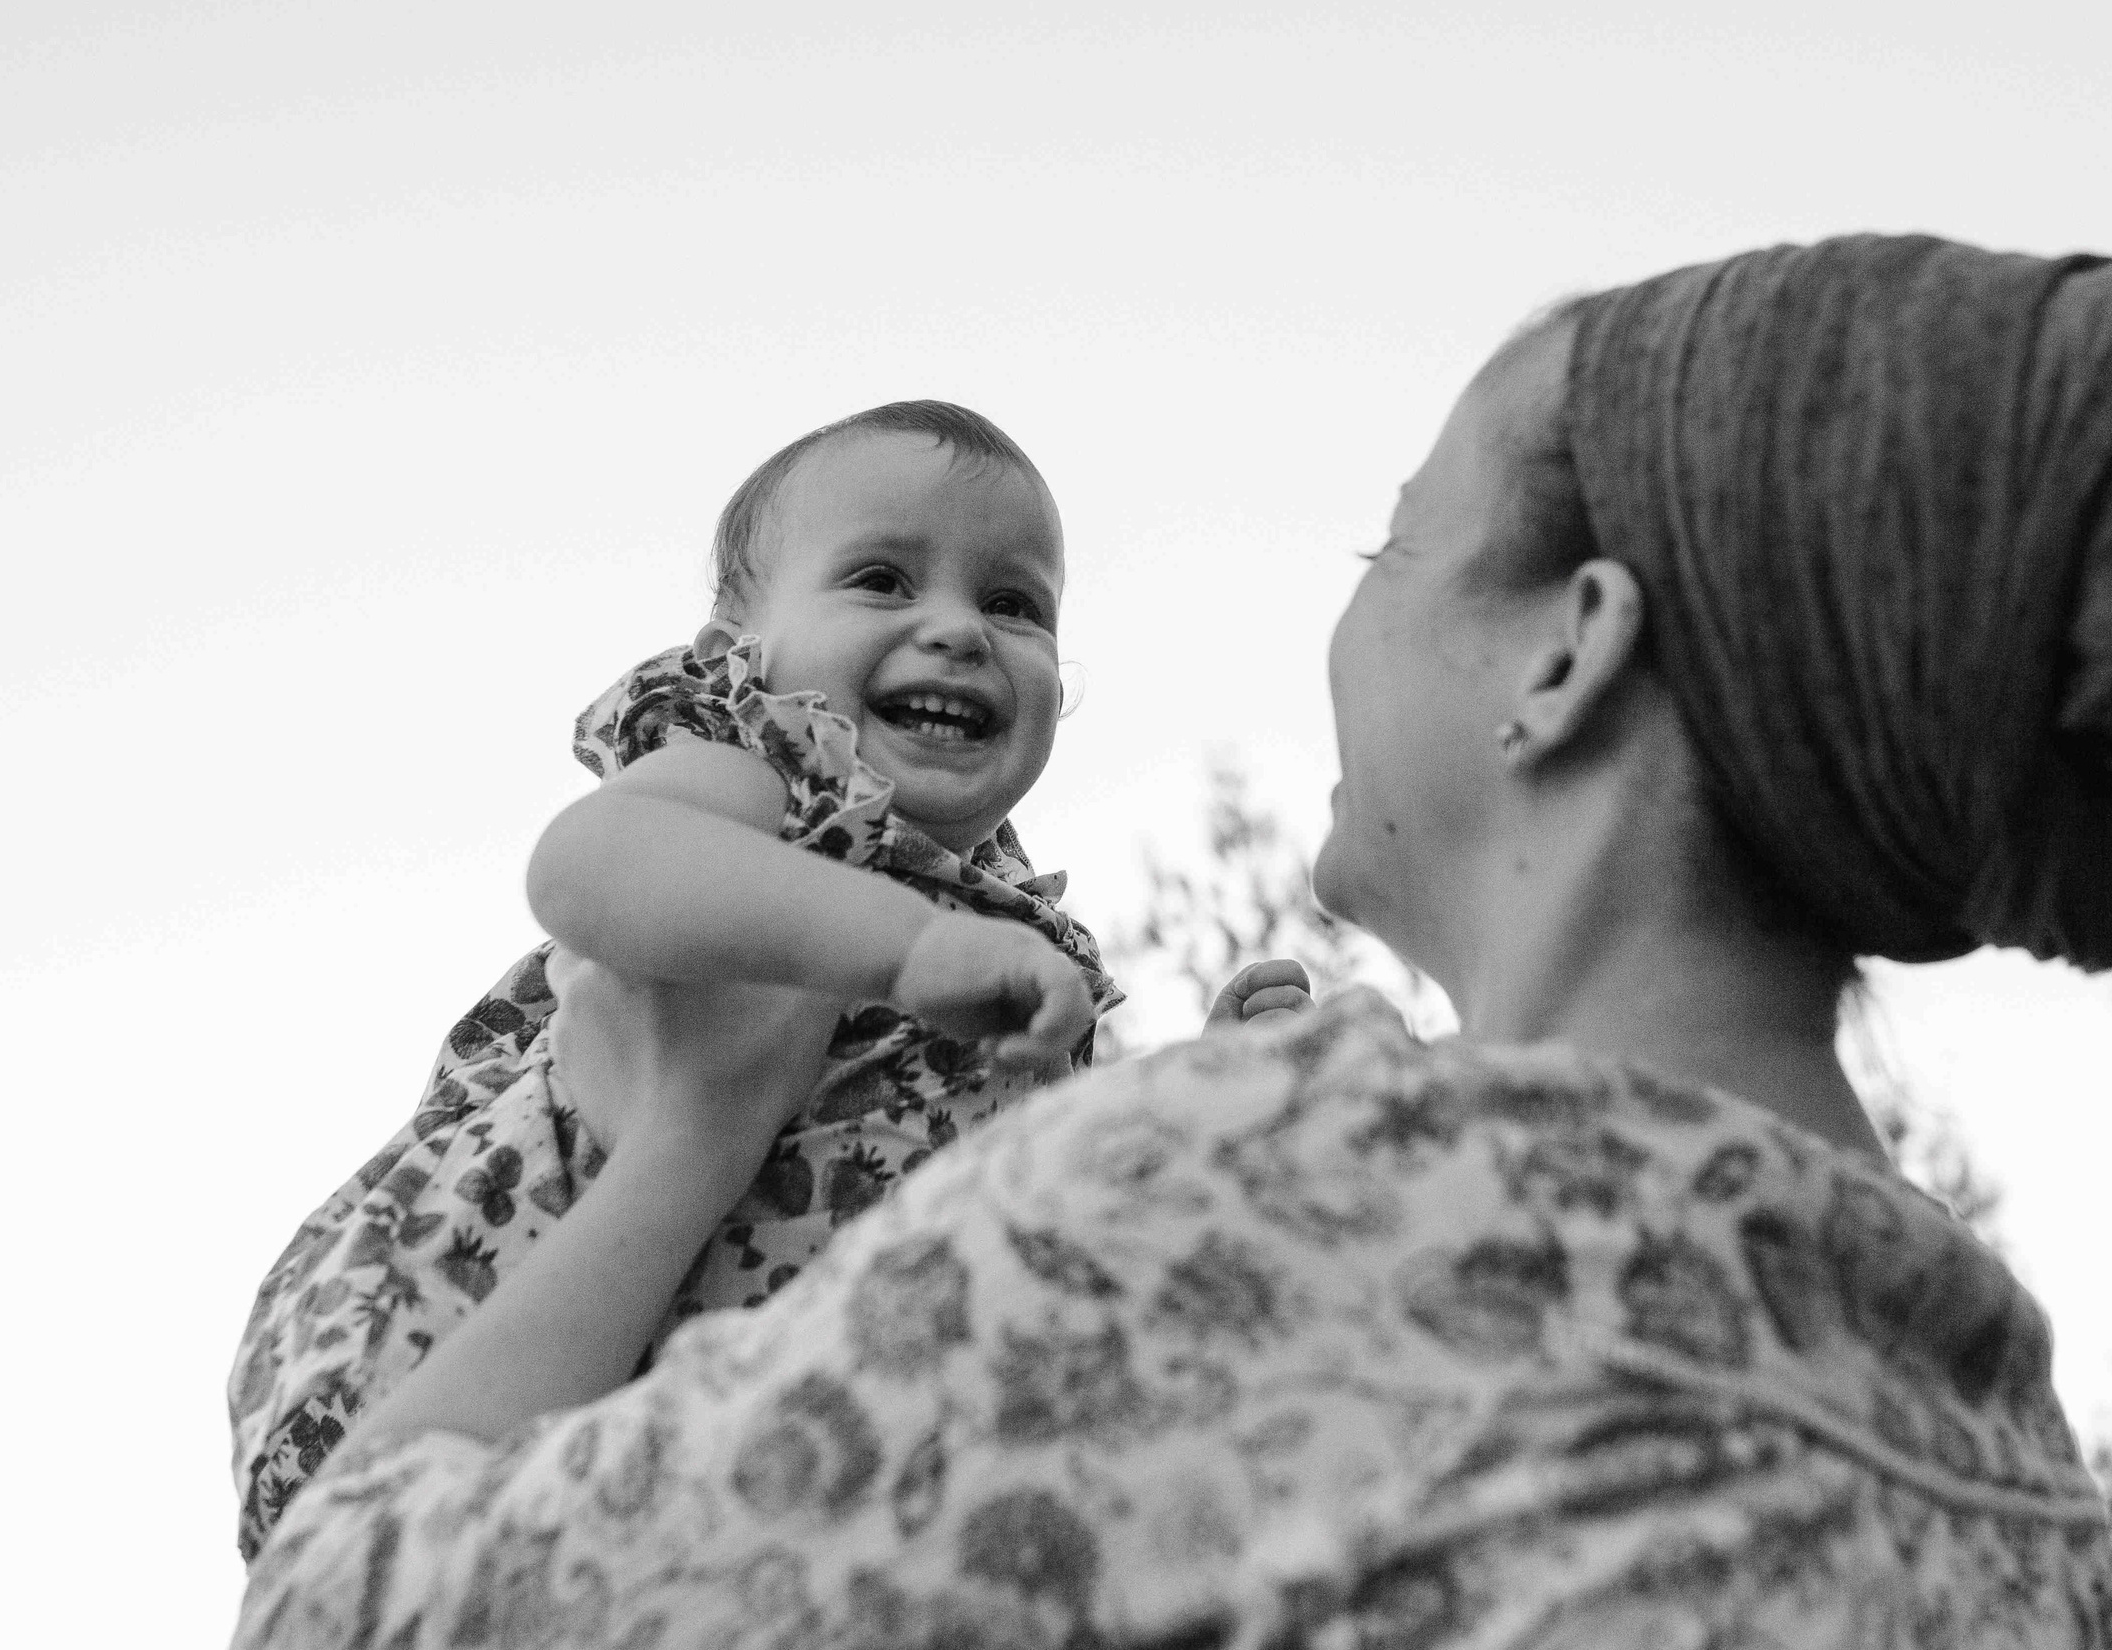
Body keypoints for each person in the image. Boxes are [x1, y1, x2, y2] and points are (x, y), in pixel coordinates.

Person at [233, 236, 2112, 1649]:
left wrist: (685, 1147)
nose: (1348, 608)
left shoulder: (1264, 1208)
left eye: (1398, 540)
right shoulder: (2004, 1440)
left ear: (1568, 651)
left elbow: (340, 1606)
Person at [225, 399, 1314, 1559]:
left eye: (1013, 603)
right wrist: (905, 948)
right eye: (882, 580)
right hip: (457, 1317)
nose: (959, 630)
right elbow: (587, 865)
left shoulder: (999, 919)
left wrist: (1196, 1105)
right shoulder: (772, 772)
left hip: (711, 1448)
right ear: (734, 649)